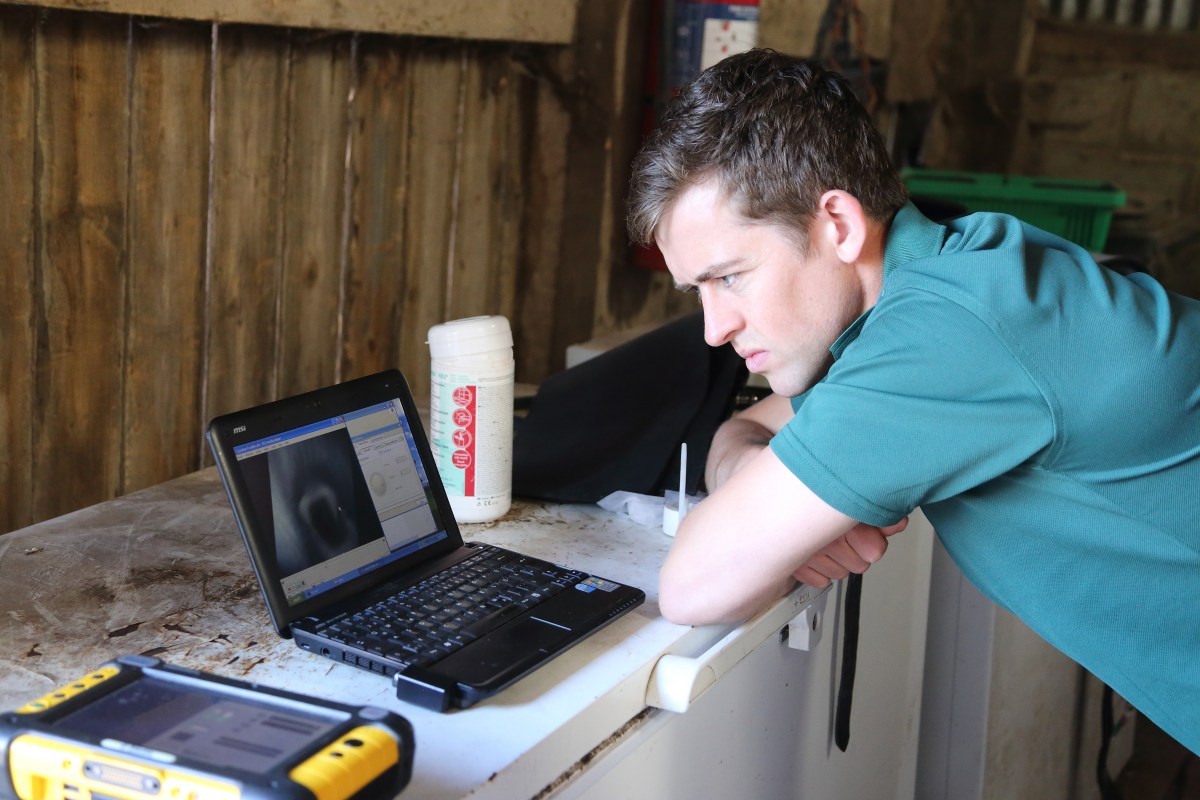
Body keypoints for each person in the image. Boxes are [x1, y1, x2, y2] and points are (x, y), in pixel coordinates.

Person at [626, 48, 1200, 755]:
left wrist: (767, 506)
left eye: (730, 277)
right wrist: (751, 474)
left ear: (837, 225)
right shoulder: (944, 278)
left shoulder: (946, 334)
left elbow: (693, 584)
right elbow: (745, 426)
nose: (714, 329)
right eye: (699, 291)